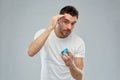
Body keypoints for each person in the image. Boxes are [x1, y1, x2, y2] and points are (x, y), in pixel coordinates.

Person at [27, 5, 85, 80]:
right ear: (58, 20)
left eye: (73, 23)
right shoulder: (43, 34)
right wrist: (51, 27)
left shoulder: (78, 42)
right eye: (66, 22)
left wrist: (70, 65)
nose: (69, 27)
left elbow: (79, 77)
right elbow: (30, 52)